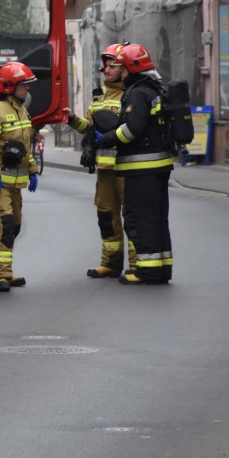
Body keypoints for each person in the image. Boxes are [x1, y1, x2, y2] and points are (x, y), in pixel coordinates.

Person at [95, 43, 175, 285]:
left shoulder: (137, 93)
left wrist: (106, 139)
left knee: (141, 218)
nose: (113, 69)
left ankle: (147, 271)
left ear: (128, 67)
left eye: (118, 65)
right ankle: (162, 269)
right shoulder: (151, 89)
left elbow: (132, 130)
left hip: (142, 169)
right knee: (158, 218)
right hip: (158, 166)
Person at [64, 44, 136, 279]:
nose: (106, 68)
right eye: (105, 64)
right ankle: (111, 263)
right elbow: (89, 127)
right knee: (106, 216)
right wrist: (73, 120)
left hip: (127, 169)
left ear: (123, 67)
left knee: (132, 218)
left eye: (112, 64)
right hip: (105, 171)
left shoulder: (131, 94)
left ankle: (137, 265)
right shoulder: (98, 97)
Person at [0, 61, 39, 292]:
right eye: (25, 85)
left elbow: (24, 147)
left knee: (15, 227)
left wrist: (32, 170)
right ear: (10, 86)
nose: (28, 89)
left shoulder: (21, 109)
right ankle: (1, 276)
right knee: (5, 224)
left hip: (14, 183)